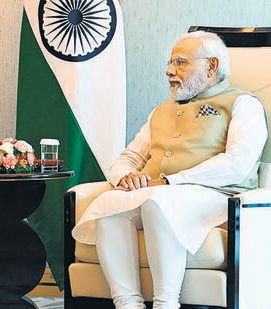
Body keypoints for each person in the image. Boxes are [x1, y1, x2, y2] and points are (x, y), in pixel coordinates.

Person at [72, 31, 267, 309]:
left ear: (211, 66)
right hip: (162, 194)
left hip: (218, 196)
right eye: (170, 63)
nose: (169, 71)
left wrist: (169, 181)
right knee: (109, 205)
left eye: (180, 63)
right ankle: (127, 303)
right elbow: (128, 156)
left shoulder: (243, 104)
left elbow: (238, 163)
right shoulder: (160, 111)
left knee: (157, 203)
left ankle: (166, 304)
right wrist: (125, 176)